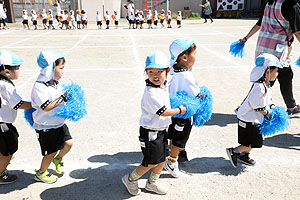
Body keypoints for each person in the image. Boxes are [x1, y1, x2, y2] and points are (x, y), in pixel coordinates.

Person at [122, 51, 187, 196]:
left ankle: (152, 182)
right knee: (151, 161)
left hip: (161, 130)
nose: (155, 75)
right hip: (150, 133)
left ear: (167, 71)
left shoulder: (162, 87)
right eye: (151, 72)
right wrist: (180, 110)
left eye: (159, 71)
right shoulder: (151, 92)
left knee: (163, 158)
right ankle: (130, 179)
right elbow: (163, 112)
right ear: (146, 73)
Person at [238, 0, 300, 116]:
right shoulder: (291, 5)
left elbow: (259, 23)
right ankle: (246, 106)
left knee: (285, 75)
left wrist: (246, 38)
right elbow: (297, 32)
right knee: (267, 81)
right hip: (278, 50)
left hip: (263, 46)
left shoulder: (270, 2)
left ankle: (291, 105)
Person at [226, 53, 283, 168]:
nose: (277, 74)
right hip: (249, 120)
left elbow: (268, 100)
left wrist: (272, 106)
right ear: (267, 71)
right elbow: (258, 107)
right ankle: (234, 151)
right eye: (276, 71)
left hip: (251, 119)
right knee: (251, 143)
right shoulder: (260, 87)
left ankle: (244, 156)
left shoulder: (265, 85)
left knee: (249, 141)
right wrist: (268, 113)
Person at [31, 50, 73, 183]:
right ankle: (41, 173)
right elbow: (46, 107)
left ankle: (59, 158)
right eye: (61, 68)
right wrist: (62, 98)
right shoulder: (39, 87)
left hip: (59, 123)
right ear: (50, 69)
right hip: (46, 126)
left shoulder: (55, 83)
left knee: (68, 143)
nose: (63, 71)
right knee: (50, 152)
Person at [164, 39, 199, 177]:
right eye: (194, 53)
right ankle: (172, 163)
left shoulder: (177, 73)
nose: (196, 56)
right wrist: (202, 95)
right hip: (184, 114)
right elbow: (195, 93)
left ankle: (170, 155)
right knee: (179, 140)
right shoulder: (187, 75)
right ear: (184, 57)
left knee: (173, 136)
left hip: (175, 113)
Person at [0, 50, 32, 184]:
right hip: (3, 125)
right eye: (17, 68)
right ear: (7, 71)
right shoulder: (5, 86)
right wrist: (37, 105)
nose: (19, 71)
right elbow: (19, 104)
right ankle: (1, 175)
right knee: (7, 153)